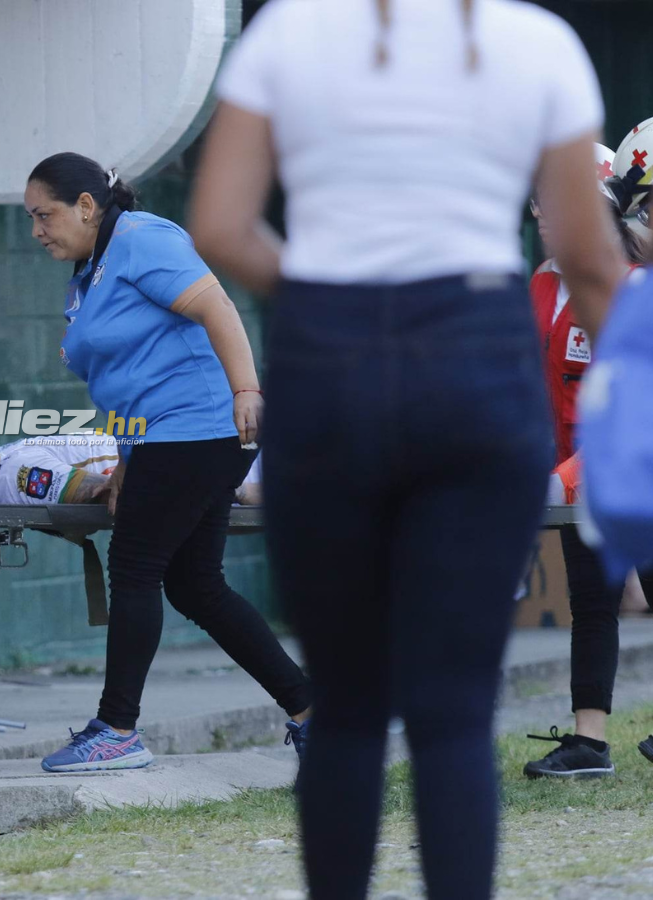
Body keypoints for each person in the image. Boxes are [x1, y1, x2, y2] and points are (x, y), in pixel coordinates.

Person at [189, 1, 623, 898]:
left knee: (348, 705)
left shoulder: (288, 34)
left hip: (329, 362)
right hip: (476, 359)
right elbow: (586, 256)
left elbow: (222, 227)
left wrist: (326, 300)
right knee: (456, 710)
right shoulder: (537, 44)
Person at [22, 151, 311, 774]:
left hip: (197, 429)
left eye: (45, 215)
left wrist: (247, 392)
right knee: (194, 584)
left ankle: (118, 729)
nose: (38, 230)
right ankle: (315, 712)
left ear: (86, 206)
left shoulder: (141, 239)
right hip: (162, 438)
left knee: (135, 567)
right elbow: (127, 379)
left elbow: (217, 308)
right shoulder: (90, 269)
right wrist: (126, 458)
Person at [523, 143, 646, 779]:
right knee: (592, 603)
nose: (544, 208)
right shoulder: (544, 281)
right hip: (573, 472)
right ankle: (588, 744)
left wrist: (564, 478)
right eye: (539, 196)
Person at [0, 426, 266, 506]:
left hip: (213, 448)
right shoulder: (20, 479)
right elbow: (103, 493)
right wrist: (234, 489)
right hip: (234, 468)